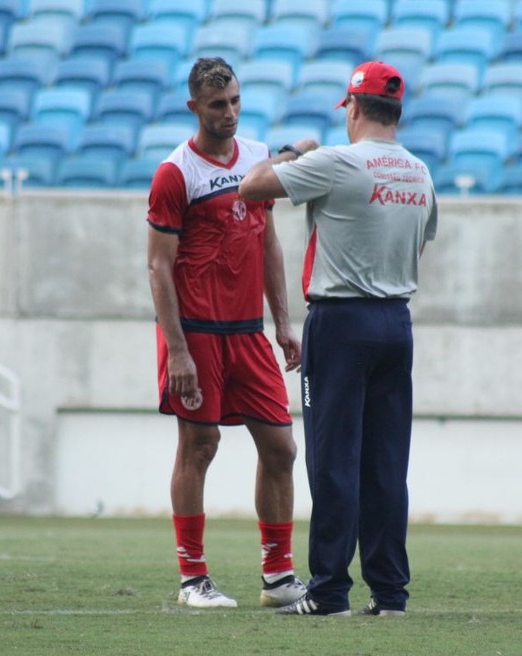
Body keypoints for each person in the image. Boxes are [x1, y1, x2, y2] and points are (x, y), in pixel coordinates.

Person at [239, 61, 438, 617]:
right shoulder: (419, 172)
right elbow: (418, 246)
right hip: (396, 321)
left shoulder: (336, 162)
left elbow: (252, 187)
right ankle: (390, 593)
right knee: (385, 464)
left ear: (353, 108)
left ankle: (328, 593)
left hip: (341, 322)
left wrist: (289, 151)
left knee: (332, 460)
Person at [146, 57, 307, 609]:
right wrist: (178, 351)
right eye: (218, 105)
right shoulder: (175, 173)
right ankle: (193, 579)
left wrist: (283, 322)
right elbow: (158, 267)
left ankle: (279, 577)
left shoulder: (259, 160)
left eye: (236, 101)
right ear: (194, 107)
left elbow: (268, 242)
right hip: (195, 334)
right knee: (200, 444)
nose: (230, 113)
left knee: (282, 447)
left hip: (247, 333)